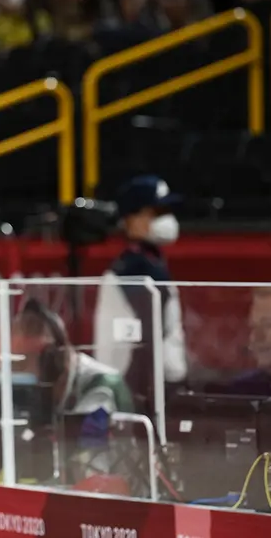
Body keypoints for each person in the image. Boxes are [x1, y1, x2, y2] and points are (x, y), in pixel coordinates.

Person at [93, 175, 188, 408]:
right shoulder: (132, 270)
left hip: (155, 388)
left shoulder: (152, 262)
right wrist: (145, 402)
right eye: (155, 213)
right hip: (137, 393)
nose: (166, 220)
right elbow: (143, 345)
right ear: (131, 219)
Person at [13, 299, 134, 414]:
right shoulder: (46, 391)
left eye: (25, 364)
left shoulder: (103, 386)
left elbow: (89, 432)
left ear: (54, 360)